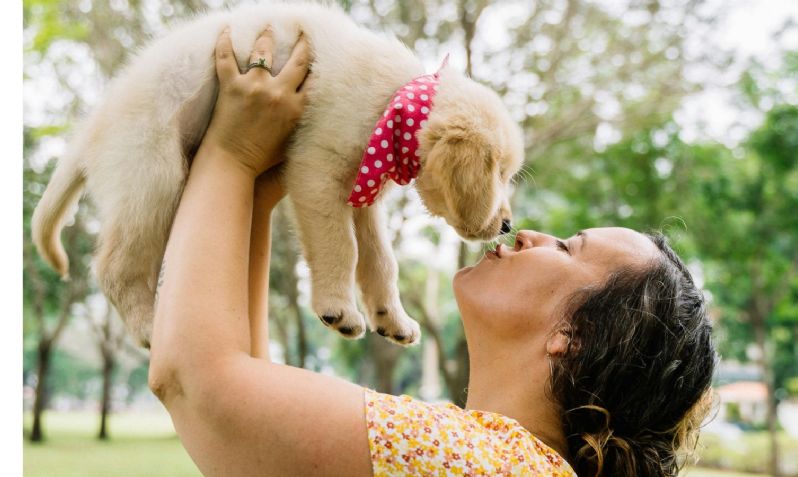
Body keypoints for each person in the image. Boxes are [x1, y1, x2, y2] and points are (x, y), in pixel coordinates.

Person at [148, 27, 717, 477]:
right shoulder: (495, 459)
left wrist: (233, 151)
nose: (529, 233)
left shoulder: (482, 463)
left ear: (578, 335)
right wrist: (262, 188)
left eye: (569, 248)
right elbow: (243, 407)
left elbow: (198, 383)